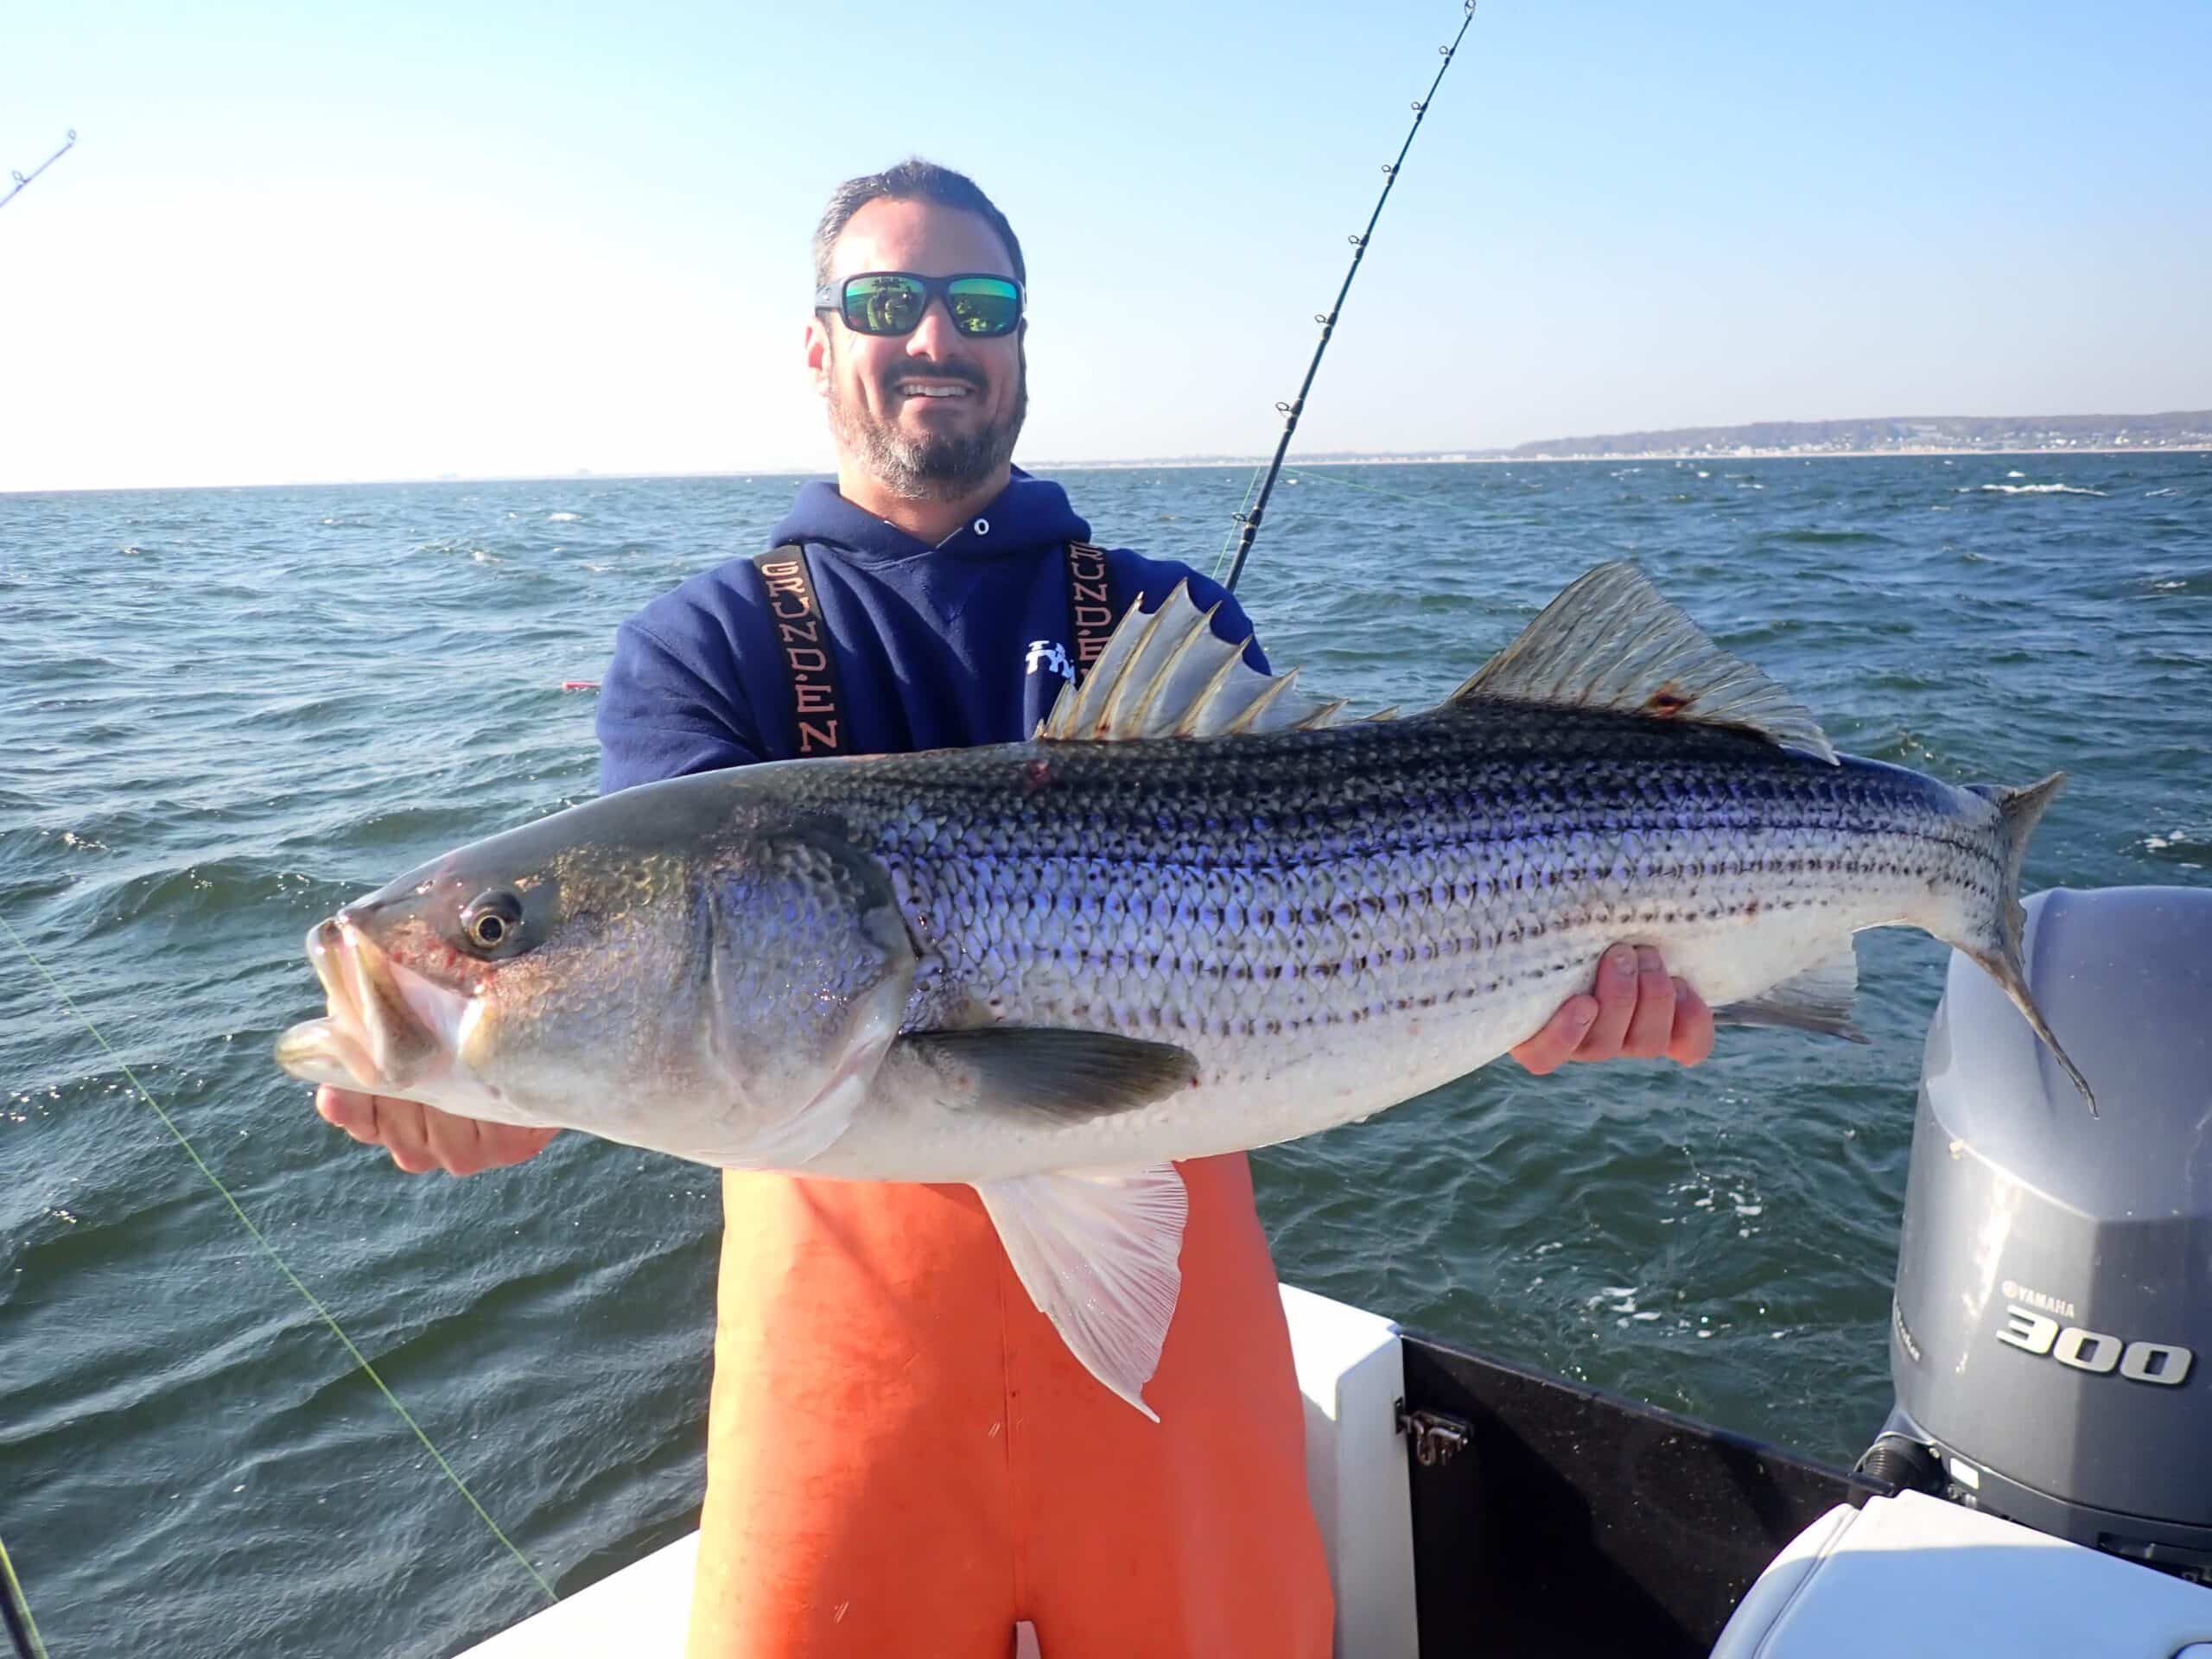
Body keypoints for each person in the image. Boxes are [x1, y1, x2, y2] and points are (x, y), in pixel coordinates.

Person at [315, 158, 1715, 1657]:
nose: (934, 336)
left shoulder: (1167, 614)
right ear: (816, 343)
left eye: (979, 305)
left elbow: (1382, 919)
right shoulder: (705, 643)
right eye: (885, 300)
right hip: (844, 1361)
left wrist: (1528, 987)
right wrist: (505, 1085)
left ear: (1022, 347)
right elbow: (668, 1001)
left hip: (1177, 1326)